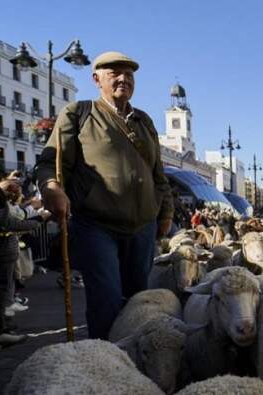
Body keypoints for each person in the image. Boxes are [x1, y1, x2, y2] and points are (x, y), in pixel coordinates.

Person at [35, 52, 174, 340]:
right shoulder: (78, 113)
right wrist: (51, 187)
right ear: (96, 79)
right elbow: (51, 162)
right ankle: (106, 364)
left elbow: (158, 172)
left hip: (143, 227)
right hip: (97, 226)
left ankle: (137, 362)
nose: (124, 79)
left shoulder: (144, 121)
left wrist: (166, 211)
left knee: (140, 301)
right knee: (106, 301)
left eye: (129, 74)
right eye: (114, 74)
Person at [0, 186, 40, 347]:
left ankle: (3, 329)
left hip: (6, 251)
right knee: (3, 291)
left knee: (5, 289)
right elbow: (7, 221)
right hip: (3, 251)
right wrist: (39, 219)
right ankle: (2, 331)